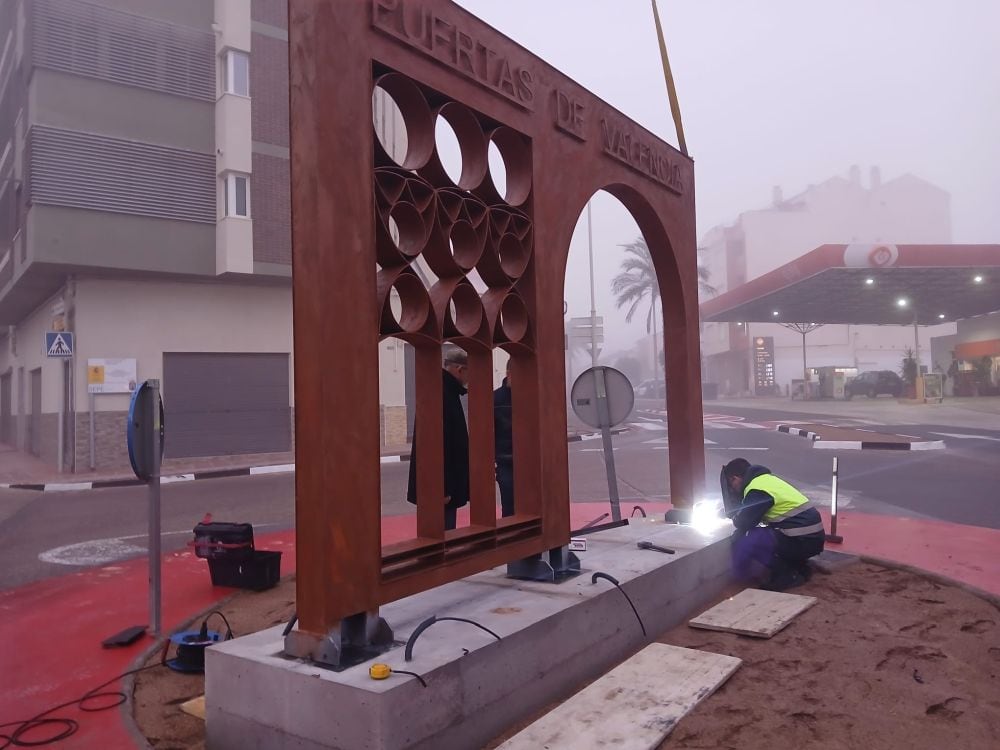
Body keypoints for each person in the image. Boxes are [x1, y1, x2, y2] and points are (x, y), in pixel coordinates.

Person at [722, 457, 825, 591]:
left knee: (751, 539)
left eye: (732, 485)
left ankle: (787, 576)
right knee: (765, 533)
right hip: (812, 537)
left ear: (735, 479)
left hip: (803, 540)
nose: (733, 489)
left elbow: (744, 522)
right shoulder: (766, 480)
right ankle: (801, 568)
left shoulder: (756, 489)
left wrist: (735, 517)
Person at [406, 347, 470, 530]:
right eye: (469, 372)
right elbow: (436, 445)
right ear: (459, 369)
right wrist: (443, 487)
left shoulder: (446, 389)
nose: (469, 379)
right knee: (442, 537)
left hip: (442, 487)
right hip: (440, 490)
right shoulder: (442, 392)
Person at [493, 361, 514, 517]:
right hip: (505, 461)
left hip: (530, 463)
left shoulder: (532, 395)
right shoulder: (495, 399)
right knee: (509, 505)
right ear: (509, 374)